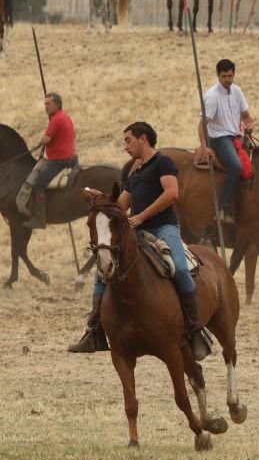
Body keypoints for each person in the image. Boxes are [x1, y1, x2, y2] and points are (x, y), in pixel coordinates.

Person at [69, 122, 209, 360]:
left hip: (164, 228)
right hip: (138, 230)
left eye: (128, 140)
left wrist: (141, 216)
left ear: (143, 139)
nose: (125, 146)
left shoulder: (162, 163)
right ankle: (94, 331)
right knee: (103, 269)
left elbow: (172, 193)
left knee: (180, 267)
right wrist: (100, 199)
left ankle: (195, 329)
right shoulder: (136, 172)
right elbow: (121, 206)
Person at [200, 59, 254, 224]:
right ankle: (223, 207)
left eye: (230, 76)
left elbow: (246, 115)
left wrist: (249, 124)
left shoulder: (237, 91)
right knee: (236, 167)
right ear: (218, 75)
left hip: (236, 135)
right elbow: (202, 124)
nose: (227, 79)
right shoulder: (212, 96)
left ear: (234, 74)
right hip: (219, 138)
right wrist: (204, 146)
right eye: (223, 76)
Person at [19, 93, 76, 229]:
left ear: (57, 104)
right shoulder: (64, 116)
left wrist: (42, 139)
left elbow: (45, 140)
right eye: (44, 104)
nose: (45, 107)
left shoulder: (56, 119)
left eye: (48, 104)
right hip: (68, 156)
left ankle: (39, 219)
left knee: (38, 184)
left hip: (58, 160)